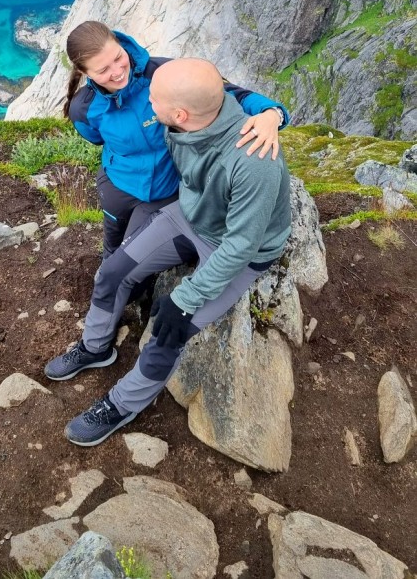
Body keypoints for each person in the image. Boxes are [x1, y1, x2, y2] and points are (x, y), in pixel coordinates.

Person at [45, 58, 292, 446]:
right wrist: (273, 112)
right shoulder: (189, 115)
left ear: (178, 113)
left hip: (237, 247)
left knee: (169, 329)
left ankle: (122, 404)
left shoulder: (253, 160)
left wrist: (185, 298)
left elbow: (241, 246)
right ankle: (96, 348)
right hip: (190, 217)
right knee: (112, 272)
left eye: (153, 99)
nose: (148, 102)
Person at [64, 22, 289, 258]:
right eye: (103, 70)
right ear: (85, 73)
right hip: (118, 187)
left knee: (134, 254)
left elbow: (226, 92)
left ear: (121, 45)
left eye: (119, 57)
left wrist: (272, 114)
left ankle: (134, 289)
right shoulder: (83, 109)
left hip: (170, 186)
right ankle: (108, 284)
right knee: (111, 246)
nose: (118, 71)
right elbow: (96, 138)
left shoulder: (163, 73)